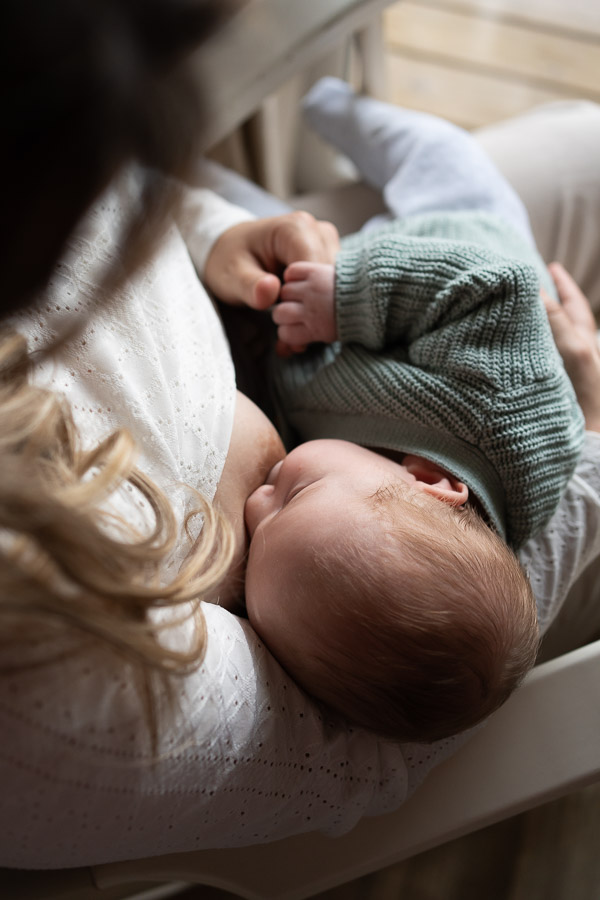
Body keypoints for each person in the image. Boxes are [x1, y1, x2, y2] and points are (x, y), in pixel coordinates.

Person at [1, 0, 600, 871]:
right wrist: (586, 440)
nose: (260, 495)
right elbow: (362, 739)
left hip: (293, 299)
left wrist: (207, 235)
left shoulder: (49, 156)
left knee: (586, 149)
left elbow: (105, 183)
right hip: (370, 330)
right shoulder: (49, 690)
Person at [237, 79, 583, 742]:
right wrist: (349, 300)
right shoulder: (501, 414)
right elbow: (494, 288)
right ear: (428, 479)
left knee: (249, 224)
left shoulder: (369, 526)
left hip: (322, 313)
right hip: (452, 248)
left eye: (257, 535)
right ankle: (336, 100)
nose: (256, 504)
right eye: (294, 493)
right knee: (434, 155)